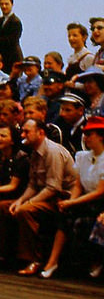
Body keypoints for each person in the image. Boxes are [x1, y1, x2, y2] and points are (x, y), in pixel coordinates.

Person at [0, 119, 80, 275]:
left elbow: (53, 187)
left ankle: (34, 259)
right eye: (22, 131)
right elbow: (33, 184)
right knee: (3, 207)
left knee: (25, 210)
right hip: (43, 196)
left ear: (40, 133)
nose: (23, 135)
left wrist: (27, 203)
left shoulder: (52, 152)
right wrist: (19, 201)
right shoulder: (33, 153)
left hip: (61, 199)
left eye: (27, 132)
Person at [40, 116, 104, 278]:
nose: (86, 137)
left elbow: (99, 192)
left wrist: (73, 202)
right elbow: (78, 185)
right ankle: (52, 261)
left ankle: (95, 261)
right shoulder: (83, 157)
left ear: (101, 136)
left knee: (86, 221)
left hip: (100, 203)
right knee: (64, 215)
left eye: (90, 134)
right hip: (85, 199)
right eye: (85, 134)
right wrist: (70, 202)